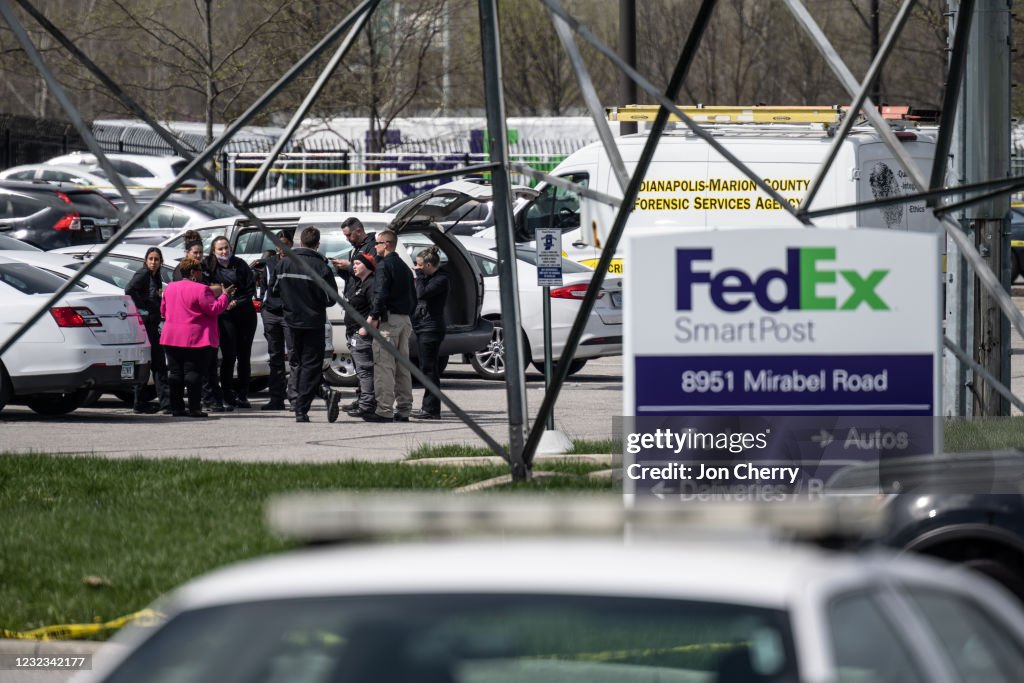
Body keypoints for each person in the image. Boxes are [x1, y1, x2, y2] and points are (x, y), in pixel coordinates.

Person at [160, 257, 236, 417]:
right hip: (195, 338)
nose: (203, 275)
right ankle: (194, 408)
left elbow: (163, 310)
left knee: (175, 374)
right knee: (193, 373)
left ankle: (177, 408)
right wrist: (225, 296)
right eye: (201, 271)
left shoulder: (170, 288)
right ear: (194, 272)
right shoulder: (201, 289)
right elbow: (214, 309)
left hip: (171, 337)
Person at [277, 227, 338, 423]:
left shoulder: (284, 263)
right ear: (317, 244)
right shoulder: (321, 267)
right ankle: (302, 408)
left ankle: (324, 393)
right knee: (310, 365)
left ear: (300, 242)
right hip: (313, 322)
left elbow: (275, 291)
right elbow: (331, 299)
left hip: (291, 322)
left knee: (299, 364)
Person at [365, 229, 416, 423]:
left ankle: (384, 410)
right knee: (403, 367)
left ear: (386, 244)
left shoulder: (385, 266)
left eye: (377, 243)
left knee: (384, 366)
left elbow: (380, 293)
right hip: (405, 320)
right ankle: (404, 409)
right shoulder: (403, 266)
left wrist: (374, 316)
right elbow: (413, 295)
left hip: (389, 321)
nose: (374, 247)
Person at [205, 236, 258, 409]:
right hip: (225, 316)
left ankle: (242, 394)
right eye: (220, 249)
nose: (224, 252)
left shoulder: (240, 264)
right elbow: (206, 291)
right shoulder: (209, 267)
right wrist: (225, 300)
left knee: (244, 356)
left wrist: (237, 301)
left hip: (245, 315)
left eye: (226, 248)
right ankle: (227, 393)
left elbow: (250, 289)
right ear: (214, 251)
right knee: (229, 356)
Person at [331, 251, 377, 420]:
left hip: (361, 335)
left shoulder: (371, 284)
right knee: (361, 371)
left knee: (365, 371)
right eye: (354, 264)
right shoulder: (359, 283)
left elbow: (376, 309)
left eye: (358, 264)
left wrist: (365, 328)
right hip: (352, 333)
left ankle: (367, 405)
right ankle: (366, 402)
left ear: (368, 266)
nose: (354, 267)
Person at [253, 231, 295, 411]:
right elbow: (263, 288)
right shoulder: (269, 263)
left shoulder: (296, 262)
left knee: (294, 356)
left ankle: (295, 398)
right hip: (271, 313)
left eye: (286, 243)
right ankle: (276, 398)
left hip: (289, 313)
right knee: (275, 357)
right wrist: (264, 307)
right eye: (279, 244)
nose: (282, 247)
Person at [125, 247, 169, 414]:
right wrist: (144, 306)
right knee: (155, 363)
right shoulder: (143, 274)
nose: (153, 262)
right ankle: (159, 403)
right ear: (145, 261)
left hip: (153, 322)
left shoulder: (155, 276)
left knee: (155, 363)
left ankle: (149, 402)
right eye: (150, 259)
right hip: (146, 323)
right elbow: (129, 290)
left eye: (156, 259)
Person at [411, 246, 449, 420]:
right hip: (423, 326)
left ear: (427, 265)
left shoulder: (441, 279)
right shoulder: (428, 277)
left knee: (428, 369)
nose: (417, 267)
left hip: (431, 328)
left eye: (419, 265)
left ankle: (431, 409)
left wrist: (418, 276)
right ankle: (430, 407)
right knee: (427, 368)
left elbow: (422, 293)